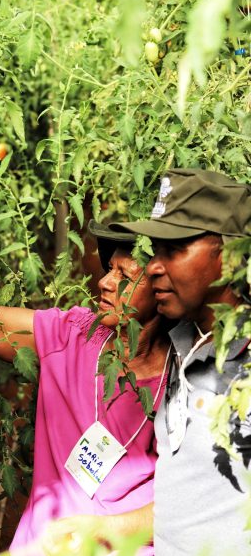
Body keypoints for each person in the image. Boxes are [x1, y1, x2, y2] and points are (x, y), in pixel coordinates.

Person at [0, 199, 171, 555]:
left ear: (161, 289)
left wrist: (100, 531)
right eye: (109, 269)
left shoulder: (179, 379)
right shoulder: (72, 335)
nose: (105, 281)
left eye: (124, 275)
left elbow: (191, 502)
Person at [103, 168, 251, 555]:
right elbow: (194, 500)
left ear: (232, 254)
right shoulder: (182, 344)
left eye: (175, 249)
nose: (153, 265)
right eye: (155, 250)